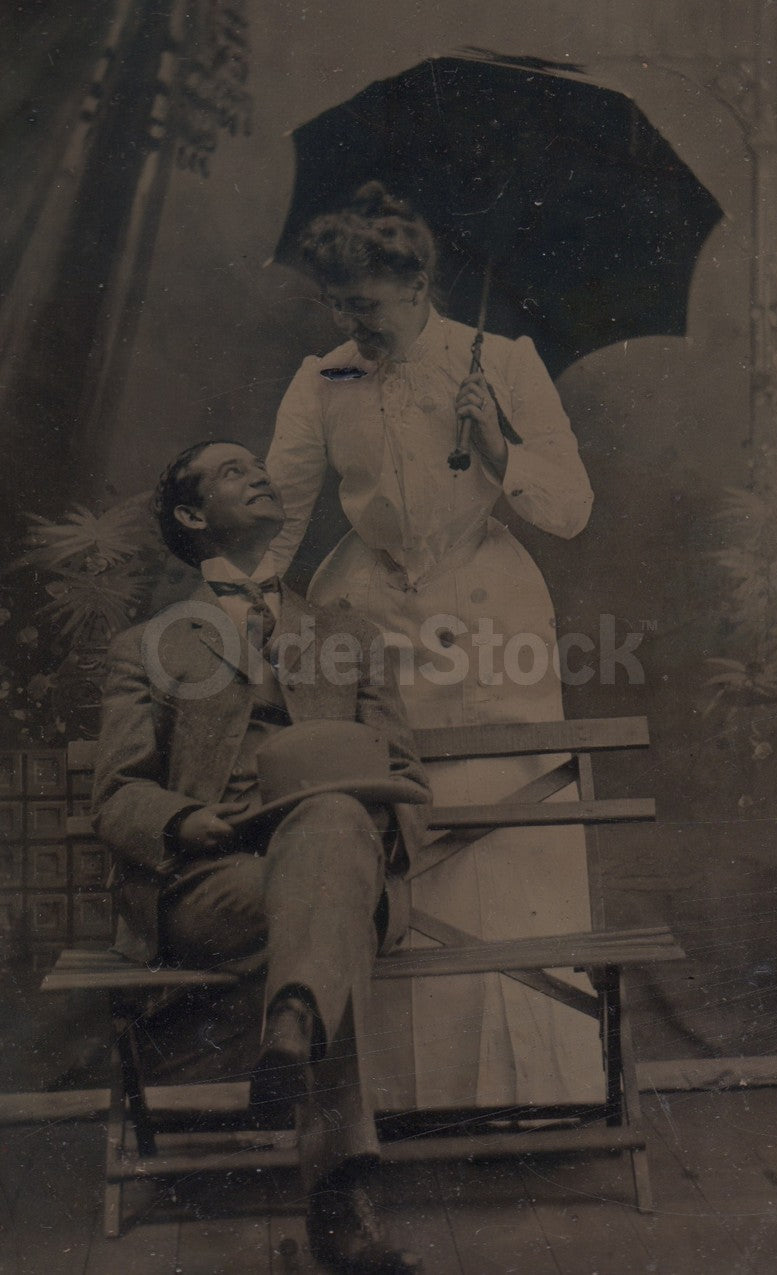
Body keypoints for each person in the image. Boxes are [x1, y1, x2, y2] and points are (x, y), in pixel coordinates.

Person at [266, 182, 604, 1109]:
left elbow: (571, 510)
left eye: (364, 305)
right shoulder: (325, 377)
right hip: (368, 621)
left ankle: (531, 1091)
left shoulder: (500, 361)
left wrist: (499, 452)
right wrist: (249, 597)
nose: (349, 324)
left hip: (493, 630)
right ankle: (393, 1103)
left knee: (499, 836)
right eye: (336, 305)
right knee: (394, 835)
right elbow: (280, 512)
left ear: (416, 285)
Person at [92, 439, 430, 1275]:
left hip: (338, 855)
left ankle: (294, 1019)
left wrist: (361, 816)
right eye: (232, 468)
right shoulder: (149, 646)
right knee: (326, 917)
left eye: (258, 462)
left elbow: (408, 772)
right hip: (216, 877)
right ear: (192, 516)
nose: (258, 472)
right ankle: (344, 1211)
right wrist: (185, 821)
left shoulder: (344, 632)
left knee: (329, 837)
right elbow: (117, 797)